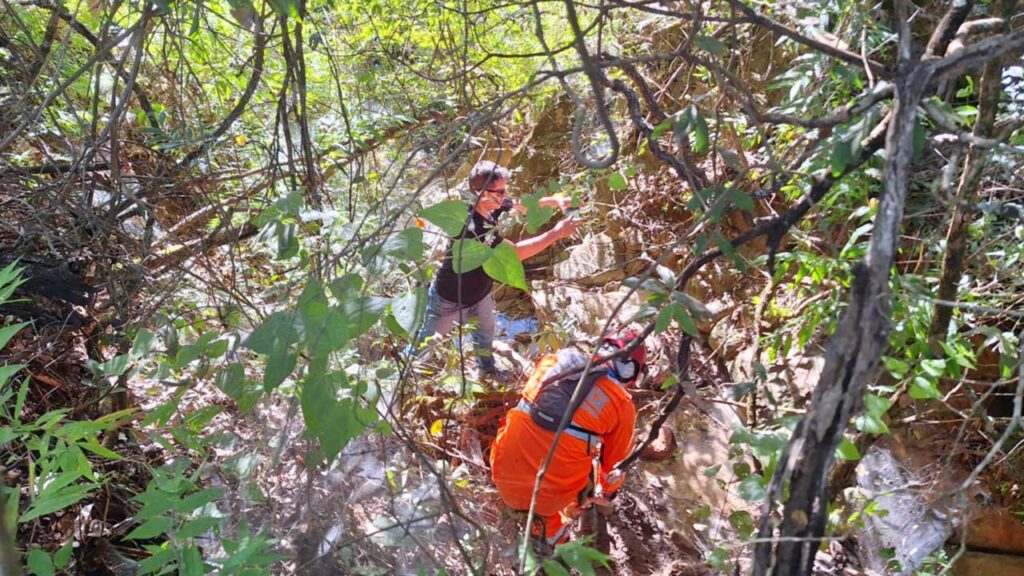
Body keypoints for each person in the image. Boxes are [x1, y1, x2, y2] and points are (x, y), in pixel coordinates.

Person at [412, 161, 578, 380]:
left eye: (504, 190)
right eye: (500, 192)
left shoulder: (492, 204)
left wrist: (557, 201)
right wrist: (557, 233)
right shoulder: (473, 227)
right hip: (448, 300)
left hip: (479, 295)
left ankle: (487, 370)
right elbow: (515, 253)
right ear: (480, 194)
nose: (504, 196)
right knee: (424, 348)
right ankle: (404, 383)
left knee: (485, 334)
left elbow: (522, 206)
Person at [489, 330, 646, 552]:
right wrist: (607, 493)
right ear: (631, 373)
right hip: (546, 500)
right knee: (582, 478)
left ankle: (527, 516)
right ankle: (554, 540)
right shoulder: (621, 403)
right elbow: (614, 465)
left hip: (501, 471)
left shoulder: (553, 361)